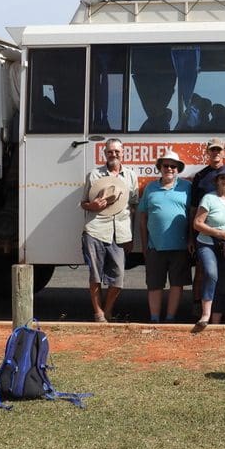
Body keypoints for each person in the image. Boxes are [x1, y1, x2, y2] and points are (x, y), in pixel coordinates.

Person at [79, 138, 139, 322]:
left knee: (118, 278)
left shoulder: (130, 176)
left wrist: (130, 236)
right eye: (110, 151)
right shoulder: (94, 175)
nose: (113, 154)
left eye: (117, 151)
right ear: (104, 153)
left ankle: (108, 309)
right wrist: (93, 205)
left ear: (123, 153)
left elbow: (133, 206)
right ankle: (98, 313)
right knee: (95, 275)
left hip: (120, 233)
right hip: (96, 230)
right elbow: (83, 203)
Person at [189, 137, 225, 306]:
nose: (216, 153)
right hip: (204, 235)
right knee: (202, 272)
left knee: (222, 276)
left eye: (219, 150)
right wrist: (190, 237)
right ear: (207, 152)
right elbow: (193, 210)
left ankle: (217, 311)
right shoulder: (200, 176)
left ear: (224, 152)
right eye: (212, 149)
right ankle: (197, 306)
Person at [137, 148, 191, 324]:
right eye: (166, 165)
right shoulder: (150, 188)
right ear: (160, 167)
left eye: (173, 167)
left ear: (178, 170)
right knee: (154, 285)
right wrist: (145, 245)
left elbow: (192, 215)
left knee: (176, 284)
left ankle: (170, 318)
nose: (169, 169)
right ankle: (154, 318)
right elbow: (142, 217)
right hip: (155, 246)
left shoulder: (186, 188)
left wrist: (190, 239)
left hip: (180, 246)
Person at [192, 165, 225, 328]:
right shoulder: (208, 198)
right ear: (217, 181)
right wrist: (218, 233)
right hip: (207, 243)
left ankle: (215, 322)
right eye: (223, 177)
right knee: (211, 274)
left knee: (222, 283)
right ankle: (205, 316)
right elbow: (197, 224)